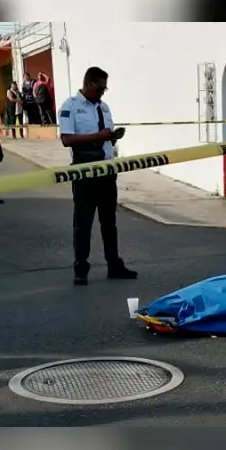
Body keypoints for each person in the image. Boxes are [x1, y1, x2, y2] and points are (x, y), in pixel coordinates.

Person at [58, 66, 136, 286]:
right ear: (89, 84)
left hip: (106, 171)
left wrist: (112, 136)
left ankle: (114, 265)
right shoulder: (71, 107)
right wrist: (98, 136)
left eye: (105, 88)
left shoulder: (104, 107)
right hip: (84, 171)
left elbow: (106, 138)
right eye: (101, 87)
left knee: (109, 222)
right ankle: (80, 269)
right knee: (83, 223)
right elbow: (66, 139)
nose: (103, 92)